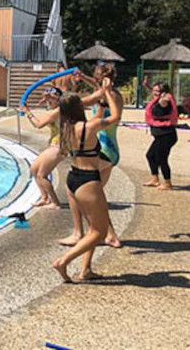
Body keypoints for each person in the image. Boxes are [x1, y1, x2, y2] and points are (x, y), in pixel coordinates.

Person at [52, 82, 119, 283]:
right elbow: (115, 117)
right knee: (99, 233)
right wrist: (107, 93)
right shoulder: (90, 126)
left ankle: (86, 270)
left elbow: (99, 113)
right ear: (79, 107)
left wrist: (100, 99)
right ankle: (63, 261)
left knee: (92, 226)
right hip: (89, 181)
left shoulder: (65, 128)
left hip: (73, 178)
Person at [21, 87, 63, 209]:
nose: (48, 102)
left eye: (51, 99)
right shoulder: (55, 109)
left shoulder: (59, 110)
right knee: (34, 169)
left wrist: (28, 112)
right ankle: (44, 198)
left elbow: (38, 124)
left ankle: (55, 203)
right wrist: (47, 99)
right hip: (54, 145)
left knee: (41, 175)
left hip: (59, 146)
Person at [143, 82, 178, 190]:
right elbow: (157, 98)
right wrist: (147, 87)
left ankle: (168, 183)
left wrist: (163, 101)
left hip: (166, 135)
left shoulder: (165, 102)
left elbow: (162, 106)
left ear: (164, 93)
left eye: (157, 91)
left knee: (161, 158)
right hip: (161, 135)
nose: (154, 93)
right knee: (150, 155)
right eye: (153, 90)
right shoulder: (159, 98)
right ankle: (155, 179)